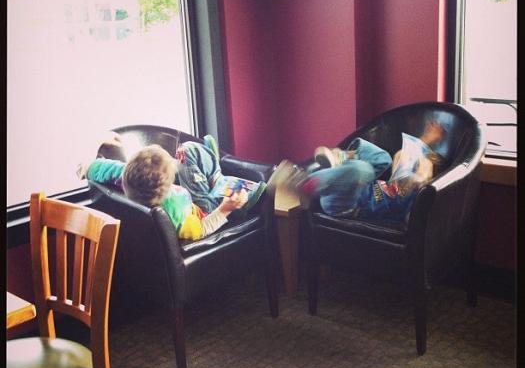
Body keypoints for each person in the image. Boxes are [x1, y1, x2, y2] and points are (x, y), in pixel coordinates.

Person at [78, 133, 266, 241]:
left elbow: (97, 168)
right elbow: (202, 228)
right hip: (204, 210)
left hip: (189, 196)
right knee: (190, 153)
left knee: (185, 151)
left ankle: (211, 171)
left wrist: (86, 167)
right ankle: (215, 177)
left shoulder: (125, 176)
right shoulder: (177, 213)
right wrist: (226, 209)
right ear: (168, 185)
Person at [267, 121, 445, 224]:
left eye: (415, 165)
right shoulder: (398, 179)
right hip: (349, 186)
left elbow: (419, 180)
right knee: (384, 159)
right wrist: (426, 141)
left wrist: (423, 171)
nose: (408, 163)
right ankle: (341, 157)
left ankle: (302, 186)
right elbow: (402, 155)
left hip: (347, 205)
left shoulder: (414, 195)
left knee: (363, 170)